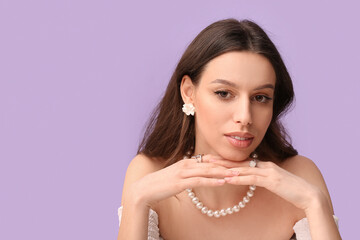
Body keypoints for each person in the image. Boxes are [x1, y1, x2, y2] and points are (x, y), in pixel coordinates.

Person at [117, 18, 341, 240]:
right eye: (224, 93)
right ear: (188, 92)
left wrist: (315, 203)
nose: (245, 117)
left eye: (260, 97)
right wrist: (136, 201)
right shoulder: (148, 174)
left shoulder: (300, 176)